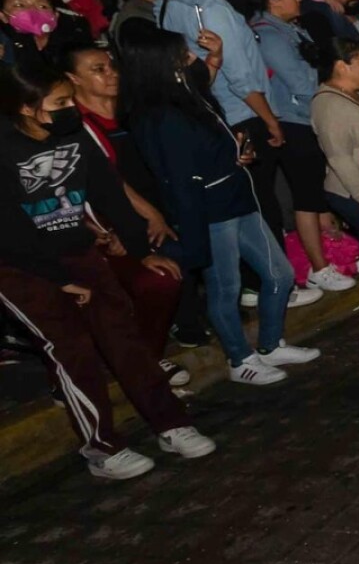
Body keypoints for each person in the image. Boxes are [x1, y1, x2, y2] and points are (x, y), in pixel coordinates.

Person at [0, 61, 215, 479]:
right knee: (70, 349)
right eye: (60, 102)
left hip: (77, 251)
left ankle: (171, 424)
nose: (71, 109)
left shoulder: (73, 135)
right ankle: (101, 448)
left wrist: (137, 253)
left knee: (124, 338)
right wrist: (60, 279)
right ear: (27, 109)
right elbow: (9, 231)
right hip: (21, 265)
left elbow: (107, 193)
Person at [122, 27, 320, 387]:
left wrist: (236, 153)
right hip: (211, 211)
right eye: (184, 55)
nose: (192, 59)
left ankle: (271, 344)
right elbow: (181, 177)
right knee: (225, 289)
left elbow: (208, 148)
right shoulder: (160, 115)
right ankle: (238, 358)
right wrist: (193, 228)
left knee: (280, 274)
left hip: (238, 197)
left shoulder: (186, 96)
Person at [156, 0, 296, 286]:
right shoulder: (208, 4)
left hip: (210, 113)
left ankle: (254, 281)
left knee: (241, 202)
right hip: (239, 116)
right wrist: (269, 120)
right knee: (259, 201)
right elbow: (239, 72)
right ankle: (271, 282)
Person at [64, 46, 189, 385]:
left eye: (111, 66)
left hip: (152, 216)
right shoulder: (75, 126)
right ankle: (138, 364)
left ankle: (147, 358)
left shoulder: (131, 111)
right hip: (108, 230)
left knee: (177, 270)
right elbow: (102, 184)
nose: (111, 74)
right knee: (157, 280)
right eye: (98, 69)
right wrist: (123, 227)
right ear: (73, 79)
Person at [249, 0, 356, 293]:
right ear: (272, 1)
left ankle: (332, 253)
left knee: (316, 192)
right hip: (292, 121)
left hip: (306, 117)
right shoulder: (268, 35)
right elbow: (301, 81)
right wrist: (335, 86)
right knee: (306, 197)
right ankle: (318, 268)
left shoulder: (289, 29)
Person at [312, 37, 359, 340]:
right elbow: (340, 159)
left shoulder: (353, 94)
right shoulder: (329, 104)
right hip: (351, 192)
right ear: (341, 65)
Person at [0, 0, 92, 70]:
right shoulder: (5, 48)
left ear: (55, 15)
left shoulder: (73, 45)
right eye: (20, 5)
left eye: (42, 6)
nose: (32, 11)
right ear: (2, 15)